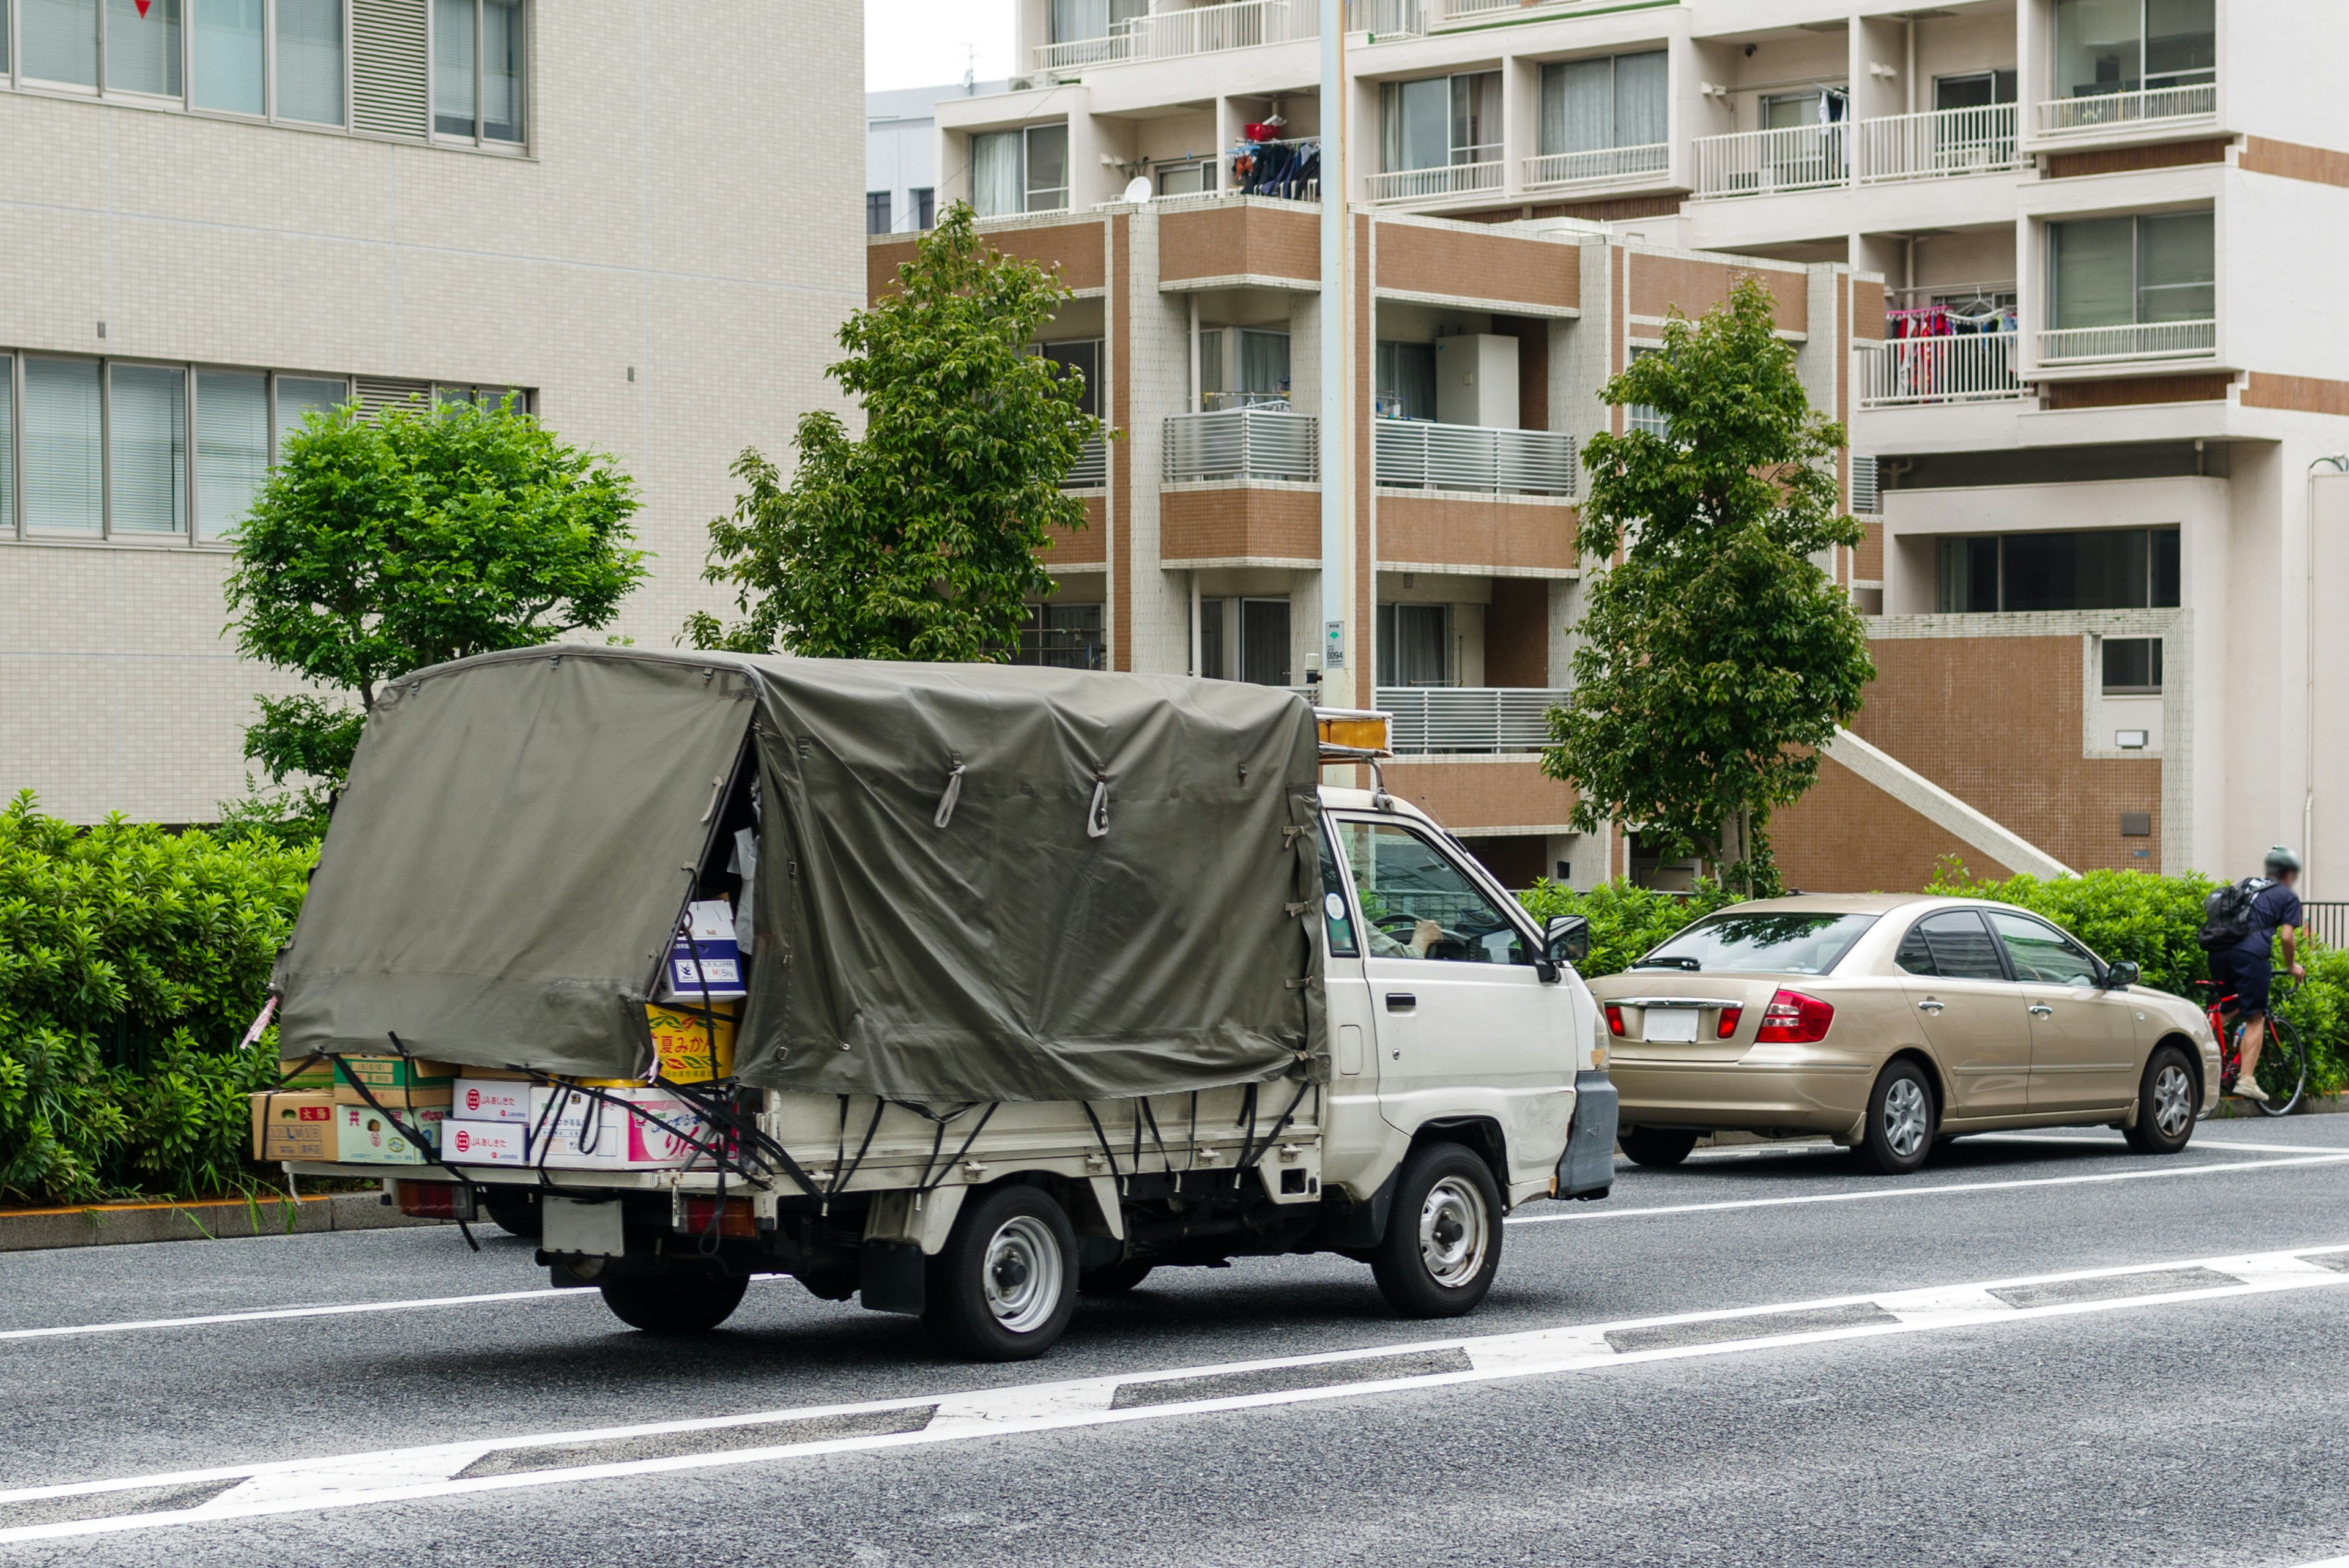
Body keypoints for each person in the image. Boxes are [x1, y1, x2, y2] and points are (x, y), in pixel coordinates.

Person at [2213, 847, 2305, 1101]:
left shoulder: (2246, 884)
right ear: (2289, 873)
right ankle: (2246, 1080)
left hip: (2218, 952)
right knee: (2256, 1017)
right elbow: (2287, 937)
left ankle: (2201, 1057)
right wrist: (2292, 966)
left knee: (2227, 1007)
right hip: (2250, 956)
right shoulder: (2287, 896)